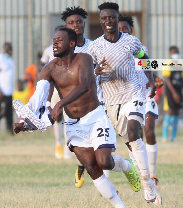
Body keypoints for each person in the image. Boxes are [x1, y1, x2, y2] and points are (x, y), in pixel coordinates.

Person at [13, 27, 141, 208]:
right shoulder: (49, 69)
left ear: (71, 44)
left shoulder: (84, 59)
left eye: (59, 40)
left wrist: (59, 104)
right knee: (91, 167)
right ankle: (121, 206)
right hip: (73, 125)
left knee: (105, 162)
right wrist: (24, 124)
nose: (55, 43)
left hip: (95, 118)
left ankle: (127, 166)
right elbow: (38, 101)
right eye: (54, 40)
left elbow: (84, 86)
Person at [88, 2, 161, 205]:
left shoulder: (132, 41)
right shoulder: (95, 47)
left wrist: (152, 79)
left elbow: (144, 58)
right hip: (112, 101)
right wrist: (96, 72)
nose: (109, 21)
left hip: (134, 93)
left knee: (133, 131)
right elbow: (88, 75)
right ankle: (143, 176)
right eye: (104, 18)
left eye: (112, 17)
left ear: (117, 18)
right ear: (100, 21)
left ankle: (148, 183)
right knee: (130, 143)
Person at [118, 15, 163, 186]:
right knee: (136, 136)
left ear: (131, 30)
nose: (123, 32)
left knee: (150, 130)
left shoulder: (140, 48)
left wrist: (157, 78)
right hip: (129, 98)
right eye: (120, 29)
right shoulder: (113, 52)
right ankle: (139, 169)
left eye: (126, 29)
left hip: (146, 95)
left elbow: (148, 68)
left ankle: (152, 174)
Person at [59, 6, 94, 186]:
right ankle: (81, 165)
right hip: (72, 103)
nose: (76, 25)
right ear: (66, 26)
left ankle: (105, 188)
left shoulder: (94, 46)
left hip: (95, 102)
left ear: (84, 24)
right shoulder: (60, 48)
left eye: (79, 22)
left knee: (100, 146)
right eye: (71, 23)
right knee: (80, 145)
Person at [41, 25, 71, 160]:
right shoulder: (50, 50)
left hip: (69, 88)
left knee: (69, 118)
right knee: (57, 117)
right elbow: (42, 65)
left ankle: (67, 147)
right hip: (56, 87)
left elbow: (145, 63)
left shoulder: (139, 47)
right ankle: (59, 144)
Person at [162, 46, 183, 142]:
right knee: (169, 111)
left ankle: (173, 137)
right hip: (170, 91)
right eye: (174, 52)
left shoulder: (180, 65)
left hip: (179, 90)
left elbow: (182, 79)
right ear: (170, 53)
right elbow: (167, 80)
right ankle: (165, 136)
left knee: (176, 112)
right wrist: (174, 93)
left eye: (177, 52)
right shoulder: (168, 64)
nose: (176, 54)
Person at [0, 42, 15, 134]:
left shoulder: (10, 60)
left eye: (10, 48)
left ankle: (10, 131)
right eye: (7, 48)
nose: (9, 50)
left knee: (9, 112)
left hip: (9, 90)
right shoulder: (1, 58)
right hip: (2, 90)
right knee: (2, 111)